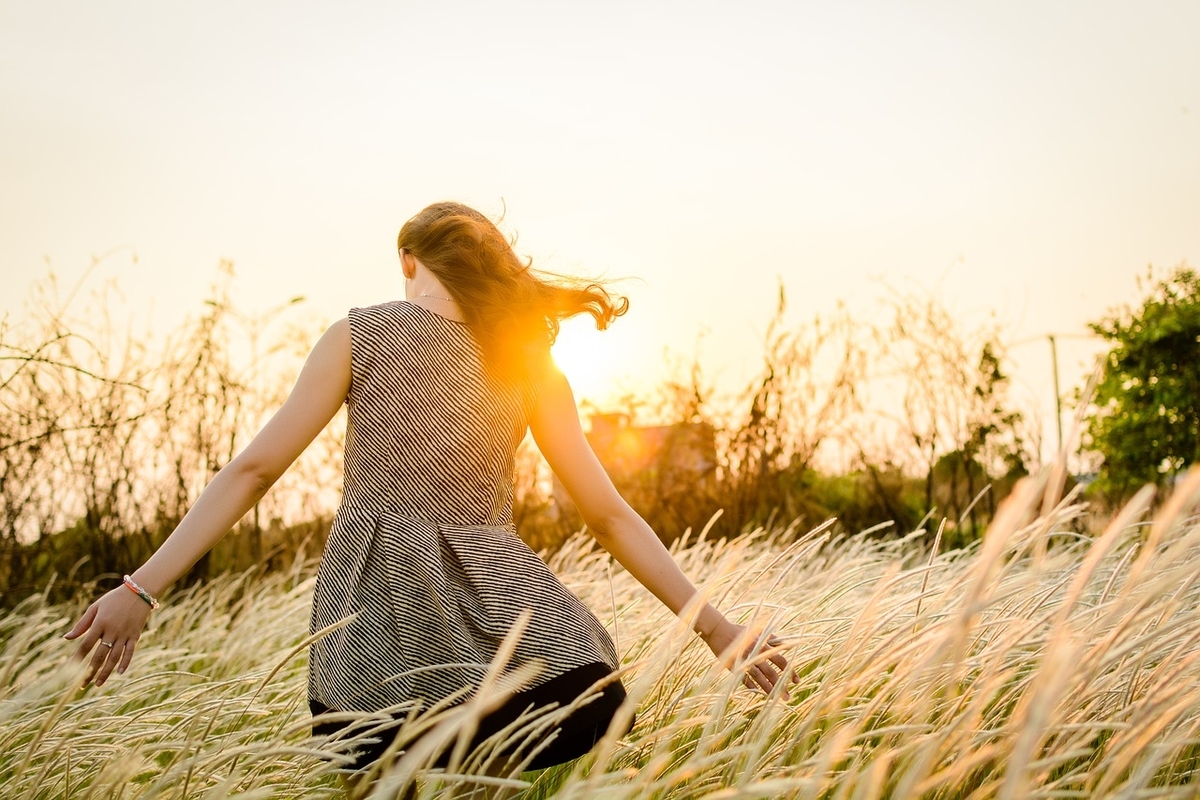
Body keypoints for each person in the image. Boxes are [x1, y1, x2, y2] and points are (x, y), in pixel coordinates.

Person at [65, 202, 792, 786]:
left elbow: (254, 474)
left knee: (380, 784)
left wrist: (142, 587)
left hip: (370, 612)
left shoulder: (360, 335)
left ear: (409, 260)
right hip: (495, 616)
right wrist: (717, 630)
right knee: (488, 780)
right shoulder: (528, 364)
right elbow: (608, 515)